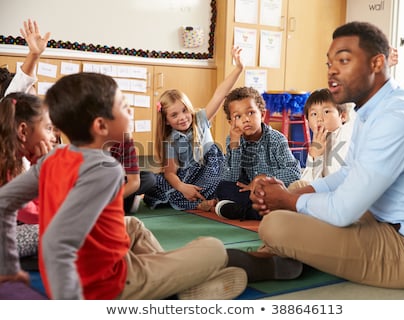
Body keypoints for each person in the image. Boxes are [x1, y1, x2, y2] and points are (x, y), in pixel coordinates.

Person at [229, 21, 404, 289]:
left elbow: (343, 210)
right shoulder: (370, 111)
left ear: (377, 64)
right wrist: (296, 193)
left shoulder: (395, 118)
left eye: (344, 60)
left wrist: (287, 200)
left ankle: (273, 256)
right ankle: (280, 258)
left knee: (275, 226)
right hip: (380, 222)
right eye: (329, 63)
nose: (332, 70)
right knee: (300, 187)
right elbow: (347, 173)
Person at [0, 72, 247, 300]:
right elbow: (58, 240)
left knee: (134, 225)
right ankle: (171, 288)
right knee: (214, 248)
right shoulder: (104, 171)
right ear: (100, 125)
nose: (130, 111)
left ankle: (177, 287)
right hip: (116, 282)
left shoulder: (54, 158)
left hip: (104, 263)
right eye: (123, 106)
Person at [143, 47, 244, 211]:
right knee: (161, 185)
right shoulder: (171, 141)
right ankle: (202, 203)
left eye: (184, 111)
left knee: (227, 179)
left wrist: (239, 68)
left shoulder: (200, 120)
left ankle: (209, 201)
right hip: (189, 179)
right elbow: (170, 173)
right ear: (167, 121)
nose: (182, 117)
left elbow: (220, 94)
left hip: (212, 173)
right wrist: (183, 187)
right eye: (174, 115)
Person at [214, 86, 302, 220]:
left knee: (280, 194)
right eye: (238, 116)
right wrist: (235, 145)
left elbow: (294, 173)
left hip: (271, 190)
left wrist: (262, 179)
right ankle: (258, 211)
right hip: (249, 192)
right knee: (222, 187)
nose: (246, 119)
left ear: (262, 114)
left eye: (250, 113)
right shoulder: (233, 139)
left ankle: (243, 211)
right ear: (231, 123)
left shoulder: (276, 139)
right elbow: (231, 177)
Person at [0, 92, 55, 259]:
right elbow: (38, 215)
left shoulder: (12, 160)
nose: (53, 137)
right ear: (23, 130)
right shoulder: (4, 166)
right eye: (48, 128)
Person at [288, 88, 353, 187]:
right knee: (296, 186)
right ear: (308, 121)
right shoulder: (318, 140)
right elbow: (309, 182)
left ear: (343, 116)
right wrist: (316, 156)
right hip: (322, 191)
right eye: (314, 114)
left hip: (342, 190)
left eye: (326, 112)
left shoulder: (346, 133)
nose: (319, 118)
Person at [0, 19, 50, 97]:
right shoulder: (7, 103)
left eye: (34, 99)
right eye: (27, 100)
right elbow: (16, 90)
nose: (33, 104)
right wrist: (33, 55)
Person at [109, 134, 157, 214]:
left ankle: (116, 203)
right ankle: (125, 202)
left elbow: (134, 181)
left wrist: (109, 201)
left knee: (148, 178)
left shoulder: (125, 139)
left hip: (114, 184)